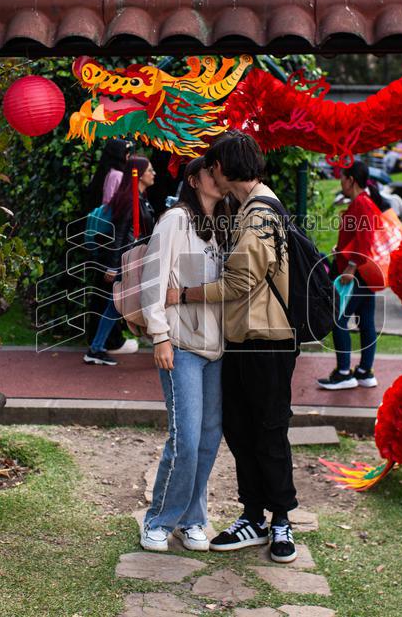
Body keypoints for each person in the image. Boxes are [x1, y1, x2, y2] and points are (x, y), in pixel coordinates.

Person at [165, 131, 299, 565]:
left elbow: (241, 281)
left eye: (213, 163)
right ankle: (253, 516)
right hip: (243, 340)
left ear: (223, 168)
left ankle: (280, 521)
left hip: (267, 341)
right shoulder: (245, 208)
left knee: (268, 430)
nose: (210, 170)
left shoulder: (259, 212)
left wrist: (184, 295)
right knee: (241, 431)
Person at [138, 157, 229, 553]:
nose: (219, 177)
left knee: (209, 438)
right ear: (194, 179)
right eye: (212, 172)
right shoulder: (175, 220)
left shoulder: (227, 223)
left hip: (219, 349)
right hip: (181, 345)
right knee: (186, 439)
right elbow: (153, 278)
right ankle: (159, 518)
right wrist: (159, 335)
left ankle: (193, 517)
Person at [83, 156, 156, 366]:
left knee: (116, 306)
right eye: (150, 170)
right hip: (129, 263)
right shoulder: (131, 201)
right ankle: (162, 344)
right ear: (139, 174)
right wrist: (114, 266)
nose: (153, 174)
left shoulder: (138, 199)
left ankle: (96, 348)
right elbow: (120, 235)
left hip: (133, 261)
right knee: (126, 304)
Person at [317, 161, 380, 390]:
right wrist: (342, 251)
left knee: (338, 319)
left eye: (342, 178)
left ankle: (344, 372)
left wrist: (350, 268)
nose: (341, 182)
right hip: (365, 274)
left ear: (351, 180)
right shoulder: (365, 202)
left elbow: (363, 242)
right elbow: (360, 238)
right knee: (366, 322)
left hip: (355, 274)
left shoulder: (361, 204)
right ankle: (364, 371)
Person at [83, 139, 135, 354]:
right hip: (112, 237)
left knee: (103, 293)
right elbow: (116, 207)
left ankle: (100, 338)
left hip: (101, 237)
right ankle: (108, 341)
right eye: (128, 152)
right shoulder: (118, 176)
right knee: (111, 294)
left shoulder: (107, 173)